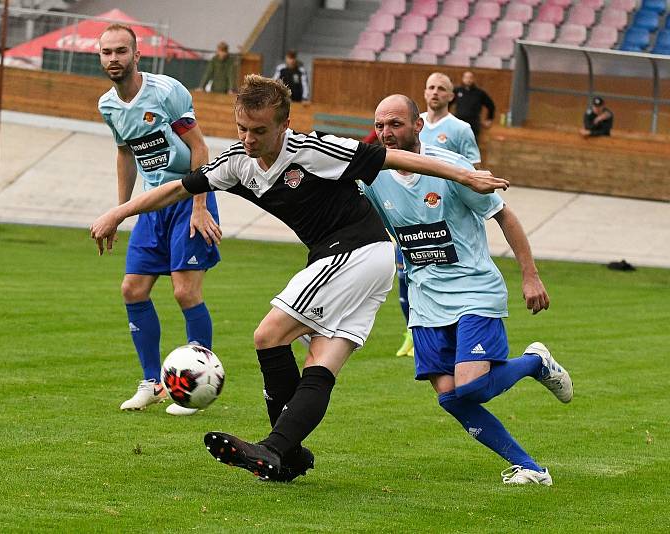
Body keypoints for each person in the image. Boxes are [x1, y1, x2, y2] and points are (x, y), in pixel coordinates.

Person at [91, 75, 509, 482]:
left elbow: (390, 158)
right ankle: (285, 454)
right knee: (321, 362)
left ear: (284, 125)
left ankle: (278, 448)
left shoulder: (313, 148)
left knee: (268, 335)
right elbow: (177, 188)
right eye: (242, 128)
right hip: (364, 263)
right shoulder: (237, 162)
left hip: (355, 251)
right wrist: (118, 212)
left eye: (259, 130)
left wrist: (464, 175)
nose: (249, 139)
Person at [362, 94, 574, 486]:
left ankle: (534, 363)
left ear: (418, 126)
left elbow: (504, 216)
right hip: (425, 300)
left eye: (395, 124)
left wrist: (530, 275)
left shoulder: (452, 169)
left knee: (472, 386)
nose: (386, 133)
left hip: (473, 289)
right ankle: (530, 467)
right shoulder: (373, 176)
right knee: (450, 396)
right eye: (379, 126)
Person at [97, 24, 222, 416]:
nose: (113, 58)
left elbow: (200, 146)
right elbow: (125, 154)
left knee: (185, 293)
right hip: (151, 206)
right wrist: (122, 211)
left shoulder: (166, 92)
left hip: (188, 197)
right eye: (106, 52)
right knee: (132, 289)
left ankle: (195, 388)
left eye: (121, 51)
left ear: (137, 56)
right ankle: (152, 382)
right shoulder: (109, 105)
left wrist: (200, 205)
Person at [393, 73, 482, 358]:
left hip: (443, 215)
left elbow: (473, 171)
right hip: (408, 215)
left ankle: (450, 335)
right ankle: (412, 332)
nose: (434, 92)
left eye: (441, 89)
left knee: (440, 276)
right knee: (405, 277)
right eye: (430, 87)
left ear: (450, 96)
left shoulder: (459, 129)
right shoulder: (410, 124)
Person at [451, 71, 495, 142]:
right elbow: (447, 104)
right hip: (459, 123)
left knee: (472, 145)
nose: (468, 80)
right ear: (463, 79)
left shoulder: (480, 93)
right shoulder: (457, 91)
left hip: (473, 124)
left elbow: (491, 105)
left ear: (473, 79)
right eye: (466, 77)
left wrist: (489, 119)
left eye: (470, 78)